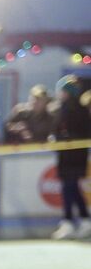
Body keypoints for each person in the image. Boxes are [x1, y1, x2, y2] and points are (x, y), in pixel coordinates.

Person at [50, 76, 91, 240]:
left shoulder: (70, 109)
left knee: (69, 187)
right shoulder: (76, 109)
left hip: (71, 156)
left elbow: (64, 131)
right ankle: (83, 220)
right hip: (73, 155)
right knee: (71, 187)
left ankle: (69, 221)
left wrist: (59, 138)